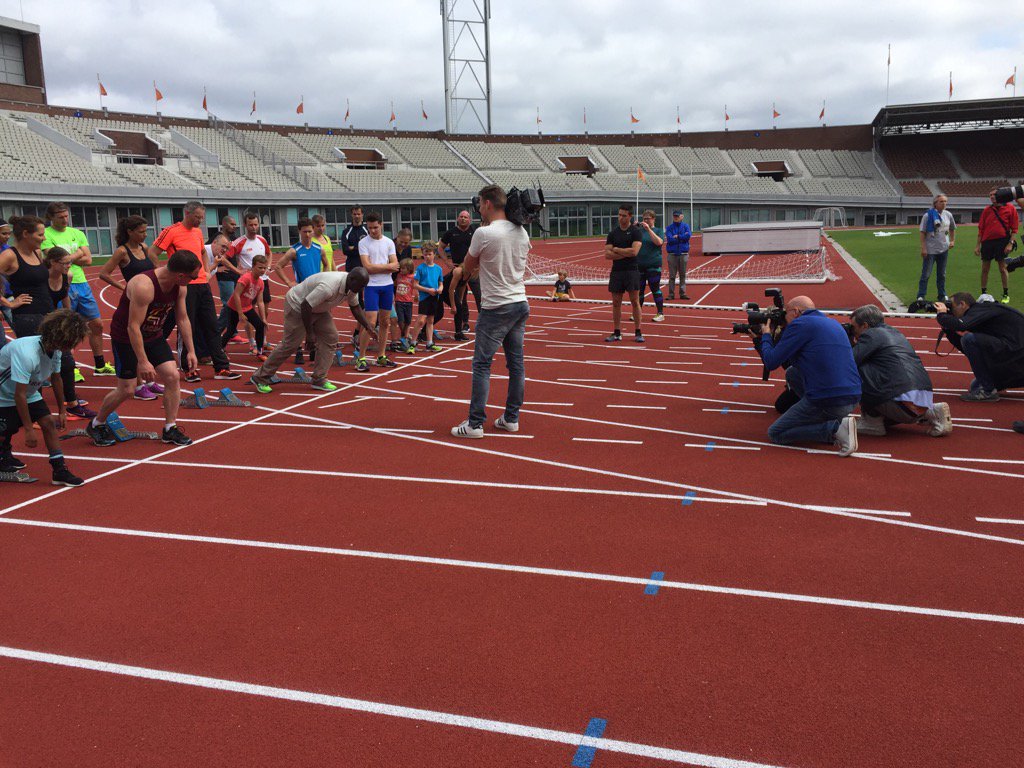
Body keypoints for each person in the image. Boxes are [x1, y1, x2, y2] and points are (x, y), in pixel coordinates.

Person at [86, 251, 202, 448]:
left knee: (172, 376)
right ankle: (97, 423)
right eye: (193, 276)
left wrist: (191, 350)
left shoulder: (180, 288)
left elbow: (182, 318)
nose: (195, 280)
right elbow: (133, 327)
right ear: (181, 275)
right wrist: (143, 360)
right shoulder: (144, 285)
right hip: (126, 338)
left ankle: (170, 428)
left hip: (153, 335)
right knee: (127, 389)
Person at [450, 185, 531, 439]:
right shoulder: (522, 232)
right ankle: (511, 418)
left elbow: (467, 267)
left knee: (482, 364)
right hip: (519, 302)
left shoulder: (484, 233)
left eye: (480, 205)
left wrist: (468, 269)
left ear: (487, 203)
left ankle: (475, 424)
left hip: (496, 306)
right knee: (516, 364)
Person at [0, 217, 94, 420]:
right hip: (27, 317)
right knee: (37, 366)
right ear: (25, 234)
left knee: (65, 361)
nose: (44, 239)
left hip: (48, 314)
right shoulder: (10, 255)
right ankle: (36, 414)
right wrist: (8, 303)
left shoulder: (35, 252)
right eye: (40, 234)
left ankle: (70, 405)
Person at [750, 295, 861, 456]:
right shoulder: (832, 323)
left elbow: (771, 362)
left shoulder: (800, 324)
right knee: (792, 373)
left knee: (776, 433)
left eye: (786, 315)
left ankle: (835, 429)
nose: (785, 320)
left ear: (795, 312)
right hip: (853, 397)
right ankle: (830, 419)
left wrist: (766, 335)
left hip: (830, 398)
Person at [0, 309, 91, 486]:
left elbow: (56, 378)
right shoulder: (27, 353)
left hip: (28, 391)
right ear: (60, 336)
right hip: (4, 393)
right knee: (7, 428)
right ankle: (3, 454)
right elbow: (19, 395)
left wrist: (62, 410)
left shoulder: (55, 349)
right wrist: (28, 429)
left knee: (48, 422)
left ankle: (59, 470)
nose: (73, 346)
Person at [151, 202, 239, 383]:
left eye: (202, 218)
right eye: (197, 217)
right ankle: (189, 368)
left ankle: (221, 367)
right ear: (187, 213)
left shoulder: (198, 233)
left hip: (202, 285)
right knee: (186, 327)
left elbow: (203, 253)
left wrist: (207, 272)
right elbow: (153, 253)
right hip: (184, 285)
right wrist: (166, 275)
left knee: (211, 325)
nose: (200, 221)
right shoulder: (171, 231)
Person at [248, 268, 374, 394]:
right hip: (298, 306)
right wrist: (310, 334)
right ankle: (260, 377)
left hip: (318, 308)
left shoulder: (353, 286)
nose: (362, 289)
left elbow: (355, 307)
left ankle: (319, 379)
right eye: (361, 286)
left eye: (364, 286)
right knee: (290, 344)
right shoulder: (328, 287)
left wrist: (368, 327)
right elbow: (306, 305)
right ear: (351, 279)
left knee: (330, 337)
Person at [849, 304, 952, 437]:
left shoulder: (871, 335)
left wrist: (847, 341)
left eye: (853, 327)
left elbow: (849, 360)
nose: (852, 331)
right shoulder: (895, 332)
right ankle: (931, 412)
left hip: (901, 405)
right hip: (921, 399)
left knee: (855, 369)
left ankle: (872, 421)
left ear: (865, 326)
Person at [41, 202, 114, 376]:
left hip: (82, 283)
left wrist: (68, 258)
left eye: (66, 216)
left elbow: (88, 260)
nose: (65, 219)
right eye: (60, 217)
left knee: (96, 324)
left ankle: (100, 365)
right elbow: (55, 259)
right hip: (62, 283)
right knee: (65, 328)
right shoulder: (46, 235)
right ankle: (70, 367)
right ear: (51, 217)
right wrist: (77, 254)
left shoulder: (77, 233)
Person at [935, 292, 1024, 401]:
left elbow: (961, 325)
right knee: (976, 386)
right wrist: (948, 330)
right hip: (1014, 355)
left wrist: (942, 315)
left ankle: (988, 391)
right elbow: (968, 349)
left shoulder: (980, 309)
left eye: (951, 307)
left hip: (1016, 354)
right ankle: (992, 386)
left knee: (969, 339)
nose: (950, 311)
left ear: (962, 304)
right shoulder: (985, 316)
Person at [355, 212, 399, 372]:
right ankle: (361, 358)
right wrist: (387, 267)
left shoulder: (388, 242)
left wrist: (379, 267)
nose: (373, 230)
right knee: (370, 323)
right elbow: (368, 267)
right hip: (371, 286)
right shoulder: (363, 243)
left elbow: (396, 264)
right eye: (370, 228)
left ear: (381, 225)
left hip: (387, 285)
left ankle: (381, 355)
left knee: (386, 322)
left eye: (375, 227)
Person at [229, 212, 274, 350]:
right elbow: (224, 257)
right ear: (245, 225)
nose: (253, 227)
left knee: (264, 311)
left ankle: (263, 340)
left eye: (255, 224)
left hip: (263, 280)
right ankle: (251, 342)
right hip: (247, 282)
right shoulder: (239, 242)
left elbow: (269, 253)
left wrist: (268, 266)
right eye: (250, 225)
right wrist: (237, 270)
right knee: (249, 311)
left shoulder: (262, 239)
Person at [603, 204, 644, 343]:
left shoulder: (636, 232)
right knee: (616, 303)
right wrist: (624, 253)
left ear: (630, 216)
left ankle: (638, 332)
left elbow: (634, 252)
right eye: (619, 215)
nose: (620, 218)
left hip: (632, 271)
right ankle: (616, 332)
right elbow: (607, 255)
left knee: (635, 301)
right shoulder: (613, 233)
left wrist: (616, 249)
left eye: (624, 215)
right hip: (617, 272)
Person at [976, 188, 1019, 304]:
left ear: (1001, 195)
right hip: (987, 242)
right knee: (985, 269)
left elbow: (1015, 228)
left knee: (1002, 268)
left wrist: (1010, 243)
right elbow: (981, 228)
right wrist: (977, 245)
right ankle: (983, 293)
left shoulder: (1010, 208)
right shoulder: (987, 210)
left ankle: (1006, 294)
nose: (992, 197)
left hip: (1002, 242)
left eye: (994, 194)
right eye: (990, 195)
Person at [440, 210, 478, 339]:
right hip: (458, 268)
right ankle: (464, 323)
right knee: (461, 301)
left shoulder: (475, 232)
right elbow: (440, 247)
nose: (463, 219)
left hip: (472, 269)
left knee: (479, 296)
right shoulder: (451, 232)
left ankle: (482, 322)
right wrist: (446, 261)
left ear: (470, 220)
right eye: (461, 217)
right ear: (457, 219)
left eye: (466, 217)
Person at [221, 254, 268, 360]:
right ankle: (220, 349)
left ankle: (260, 351)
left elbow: (260, 301)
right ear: (253, 267)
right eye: (260, 267)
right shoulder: (246, 278)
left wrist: (264, 318)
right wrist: (240, 313)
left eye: (264, 268)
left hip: (247, 307)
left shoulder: (261, 282)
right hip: (233, 307)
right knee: (231, 330)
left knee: (260, 325)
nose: (262, 270)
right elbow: (236, 295)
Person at [100, 215, 158, 293]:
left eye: (145, 231)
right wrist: (125, 288)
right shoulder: (122, 252)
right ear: (130, 232)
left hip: (151, 293)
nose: (145, 234)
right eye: (141, 232)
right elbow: (103, 274)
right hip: (135, 298)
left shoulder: (144, 247)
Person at [405, 242, 443, 354]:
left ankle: (429, 343)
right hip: (425, 297)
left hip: (435, 297)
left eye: (429, 254)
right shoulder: (420, 268)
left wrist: (440, 288)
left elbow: (441, 282)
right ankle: (413, 343)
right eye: (425, 254)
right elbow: (415, 284)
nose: (427, 256)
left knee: (430, 320)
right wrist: (428, 290)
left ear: (434, 254)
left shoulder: (438, 269)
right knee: (421, 320)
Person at [916, 195, 955, 304]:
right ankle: (921, 295)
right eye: (941, 201)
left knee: (942, 274)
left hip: (944, 249)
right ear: (935, 203)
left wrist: (952, 240)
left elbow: (952, 228)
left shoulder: (948, 215)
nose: (944, 203)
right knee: (926, 274)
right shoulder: (927, 216)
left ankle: (942, 295)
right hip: (930, 250)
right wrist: (923, 248)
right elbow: (922, 232)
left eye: (945, 201)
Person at [636, 209, 666, 322]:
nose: (646, 220)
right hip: (640, 265)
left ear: (653, 219)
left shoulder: (658, 231)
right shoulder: (639, 231)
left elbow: (659, 242)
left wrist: (649, 230)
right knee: (639, 290)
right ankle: (637, 312)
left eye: (648, 218)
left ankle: (660, 313)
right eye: (644, 218)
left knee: (655, 288)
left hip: (653, 264)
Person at [664, 209, 691, 300]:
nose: (676, 218)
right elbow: (670, 239)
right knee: (672, 276)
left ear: (682, 217)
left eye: (677, 216)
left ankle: (682, 293)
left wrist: (678, 236)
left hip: (683, 253)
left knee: (682, 275)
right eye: (674, 216)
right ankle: (671, 294)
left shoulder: (686, 226)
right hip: (672, 254)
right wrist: (681, 238)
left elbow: (688, 236)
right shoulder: (669, 228)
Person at [392, 258, 416, 348]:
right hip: (399, 301)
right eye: (400, 268)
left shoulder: (412, 277)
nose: (401, 270)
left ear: (409, 269)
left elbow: (415, 286)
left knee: (408, 321)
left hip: (408, 302)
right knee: (400, 320)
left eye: (403, 268)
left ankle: (405, 336)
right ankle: (404, 335)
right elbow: (394, 284)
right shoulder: (398, 276)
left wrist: (417, 295)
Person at [341, 206, 368, 273]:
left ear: (362, 215)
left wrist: (353, 247)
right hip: (351, 267)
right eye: (354, 214)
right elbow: (345, 250)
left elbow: (370, 248)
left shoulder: (368, 231)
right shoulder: (346, 232)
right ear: (351, 215)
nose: (356, 216)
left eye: (358, 214)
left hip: (365, 266)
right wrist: (361, 247)